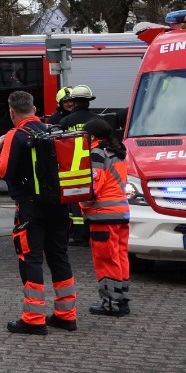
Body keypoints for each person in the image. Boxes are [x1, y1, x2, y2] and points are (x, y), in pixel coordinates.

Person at [0, 90, 77, 335]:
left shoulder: (15, 135)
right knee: (59, 257)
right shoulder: (53, 130)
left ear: (11, 112)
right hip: (59, 206)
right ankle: (66, 315)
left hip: (31, 208)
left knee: (31, 259)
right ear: (34, 108)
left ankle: (33, 318)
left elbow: (3, 171)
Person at [81, 117, 132, 316]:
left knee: (106, 260)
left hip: (103, 216)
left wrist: (82, 204)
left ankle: (111, 304)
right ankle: (122, 299)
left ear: (92, 136)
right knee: (120, 258)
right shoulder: (118, 152)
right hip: (121, 214)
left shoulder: (96, 153)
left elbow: (93, 187)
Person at [48, 84, 98, 247]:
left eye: (71, 101)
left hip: (73, 168)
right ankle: (82, 234)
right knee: (83, 201)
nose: (69, 104)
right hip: (90, 165)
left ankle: (79, 235)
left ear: (76, 102)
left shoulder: (64, 122)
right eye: (66, 101)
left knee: (76, 201)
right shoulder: (96, 120)